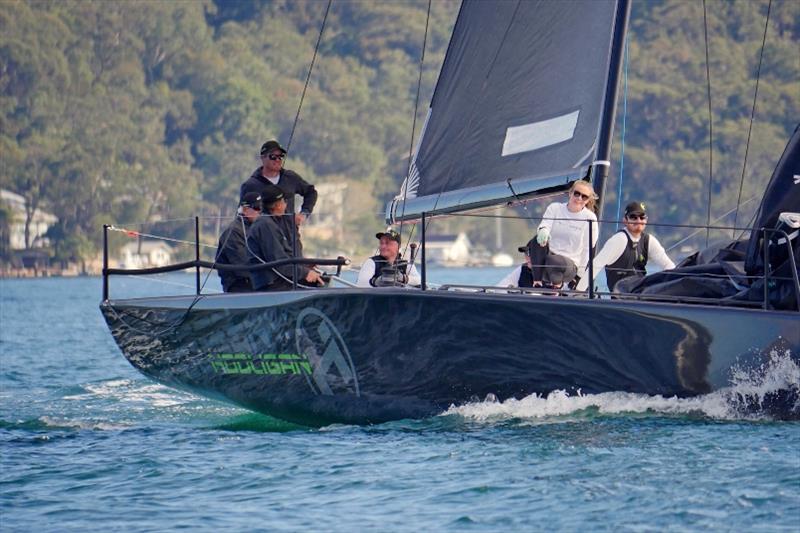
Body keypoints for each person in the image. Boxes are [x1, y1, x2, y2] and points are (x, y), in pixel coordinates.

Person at [576, 201, 675, 292]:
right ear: (625, 220)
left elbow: (668, 265)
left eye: (642, 217)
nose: (638, 220)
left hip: (642, 292)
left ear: (646, 220)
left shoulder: (649, 240)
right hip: (622, 295)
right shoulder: (619, 240)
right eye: (633, 217)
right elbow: (596, 265)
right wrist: (579, 291)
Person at [240, 140, 317, 256]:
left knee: (297, 270)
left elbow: (311, 192)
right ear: (262, 158)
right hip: (266, 241)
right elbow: (242, 214)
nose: (278, 160)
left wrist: (304, 214)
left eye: (281, 156)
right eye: (273, 156)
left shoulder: (290, 178)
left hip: (291, 238)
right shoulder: (250, 185)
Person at [246, 186, 323, 291]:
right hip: (273, 284)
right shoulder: (265, 225)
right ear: (278, 205)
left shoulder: (271, 223)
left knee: (322, 280)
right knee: (317, 285)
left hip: (280, 280)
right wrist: (305, 273)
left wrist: (304, 265)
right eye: (284, 201)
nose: (286, 204)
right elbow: (279, 262)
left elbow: (286, 256)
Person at [528, 180, 599, 290]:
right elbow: (545, 224)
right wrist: (543, 230)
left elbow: (587, 249)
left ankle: (556, 286)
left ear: (588, 200)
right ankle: (537, 282)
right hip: (546, 262)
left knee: (554, 261)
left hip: (569, 266)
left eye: (584, 197)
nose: (579, 198)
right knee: (535, 241)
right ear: (570, 193)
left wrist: (579, 276)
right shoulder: (555, 208)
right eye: (577, 193)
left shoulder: (590, 218)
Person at [215, 192, 262, 293]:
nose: (261, 211)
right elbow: (242, 267)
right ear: (245, 209)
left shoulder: (258, 228)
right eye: (257, 207)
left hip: (258, 282)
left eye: (263, 208)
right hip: (239, 285)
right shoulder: (234, 232)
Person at [356, 229, 421, 288]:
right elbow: (361, 284)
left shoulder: (406, 264)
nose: (383, 246)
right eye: (381, 243)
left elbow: (419, 281)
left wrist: (403, 278)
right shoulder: (371, 262)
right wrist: (377, 281)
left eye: (387, 243)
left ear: (398, 246)